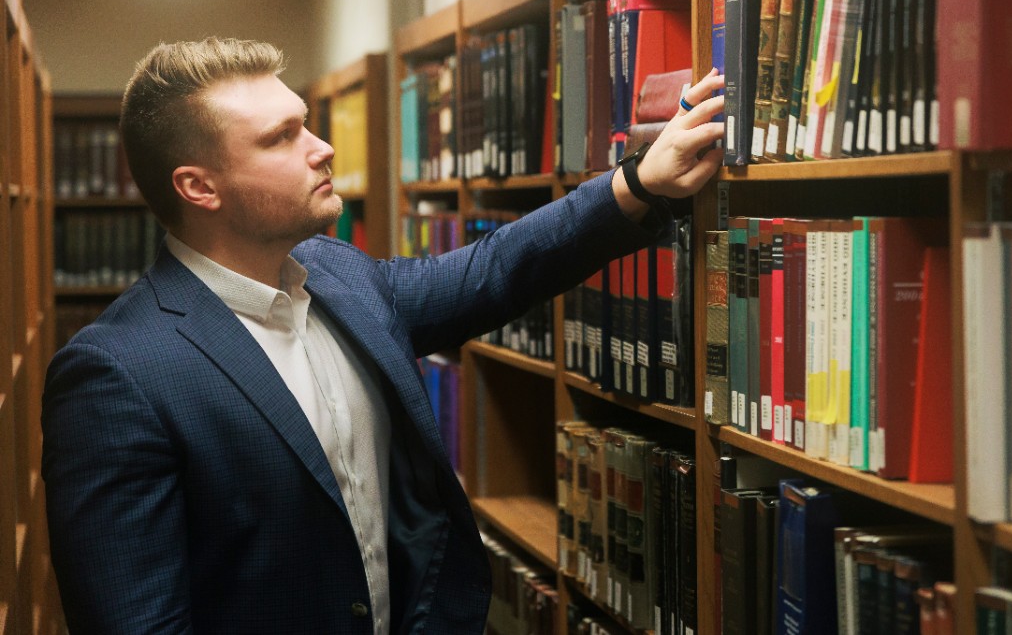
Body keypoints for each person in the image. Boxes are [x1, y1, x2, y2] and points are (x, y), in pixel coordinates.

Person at [42, 37, 725, 635]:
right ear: (199, 186)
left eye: (306, 124)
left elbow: (495, 267)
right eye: (281, 137)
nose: (323, 147)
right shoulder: (116, 374)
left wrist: (637, 181)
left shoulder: (340, 275)